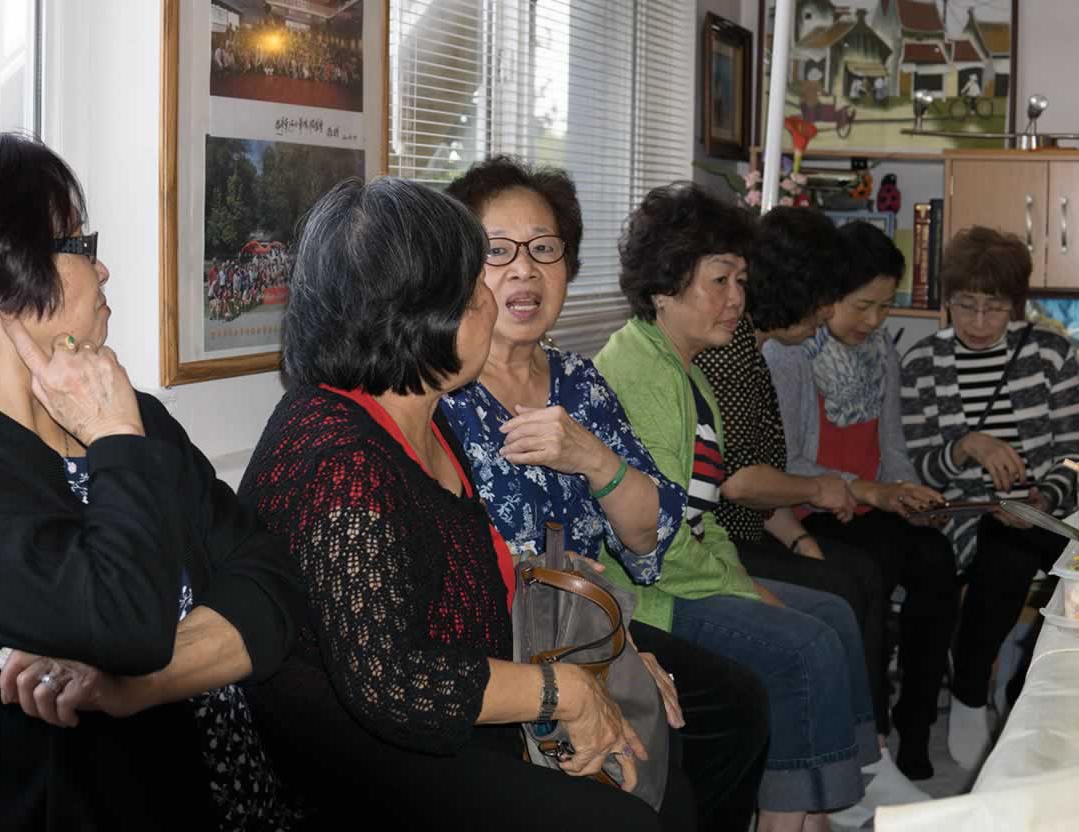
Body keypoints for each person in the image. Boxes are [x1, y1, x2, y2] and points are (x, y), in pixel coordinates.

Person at [0, 133, 305, 831]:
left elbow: (273, 584)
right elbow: (129, 624)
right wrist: (114, 438)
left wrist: (143, 684)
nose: (102, 269)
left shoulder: (132, 418)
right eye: (78, 243)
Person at [238, 176, 696, 831]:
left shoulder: (423, 417)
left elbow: (490, 595)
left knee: (664, 782)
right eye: (475, 285)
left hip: (461, 714)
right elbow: (392, 682)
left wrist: (598, 654)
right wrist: (561, 690)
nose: (496, 296)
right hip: (370, 760)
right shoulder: (340, 456)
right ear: (419, 312)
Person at [438, 156, 770, 832]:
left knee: (738, 705)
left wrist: (590, 455)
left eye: (545, 249)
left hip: (588, 619)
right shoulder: (441, 393)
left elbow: (648, 538)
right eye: (498, 251)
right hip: (502, 646)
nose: (524, 272)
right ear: (459, 268)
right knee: (661, 767)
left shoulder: (581, 382)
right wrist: (605, 657)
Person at [594, 182, 879, 832]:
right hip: (650, 594)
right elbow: (657, 544)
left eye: (741, 282)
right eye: (719, 280)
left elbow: (706, 517)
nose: (737, 300)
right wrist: (745, 589)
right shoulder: (637, 374)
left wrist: (742, 580)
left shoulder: (688, 369)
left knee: (831, 611)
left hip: (686, 576)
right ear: (664, 286)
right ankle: (788, 820)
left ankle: (820, 805)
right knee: (804, 644)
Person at [693, 207, 930, 817]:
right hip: (717, 542)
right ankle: (851, 771)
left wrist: (799, 537)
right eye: (824, 300)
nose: (828, 315)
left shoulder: (754, 351)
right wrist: (822, 490)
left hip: (752, 530)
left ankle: (864, 759)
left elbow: (756, 478)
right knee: (841, 590)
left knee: (854, 576)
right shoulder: (734, 355)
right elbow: (738, 483)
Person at [763, 221, 960, 782]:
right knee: (875, 566)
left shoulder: (881, 353)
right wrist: (864, 488)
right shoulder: (789, 354)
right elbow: (786, 461)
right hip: (811, 511)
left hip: (872, 507)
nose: (874, 321)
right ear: (826, 299)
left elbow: (892, 446)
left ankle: (916, 725)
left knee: (937, 559)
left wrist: (906, 492)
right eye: (862, 306)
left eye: (885, 306)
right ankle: (873, 735)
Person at [900, 226, 1079, 770]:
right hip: (964, 515)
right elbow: (922, 466)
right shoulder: (923, 362)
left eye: (995, 308)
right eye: (966, 305)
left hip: (1041, 513)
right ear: (948, 300)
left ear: (1015, 305)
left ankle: (997, 688)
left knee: (1041, 555)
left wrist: (1044, 498)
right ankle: (971, 691)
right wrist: (966, 446)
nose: (979, 322)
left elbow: (1071, 456)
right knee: (1002, 549)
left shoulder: (1050, 353)